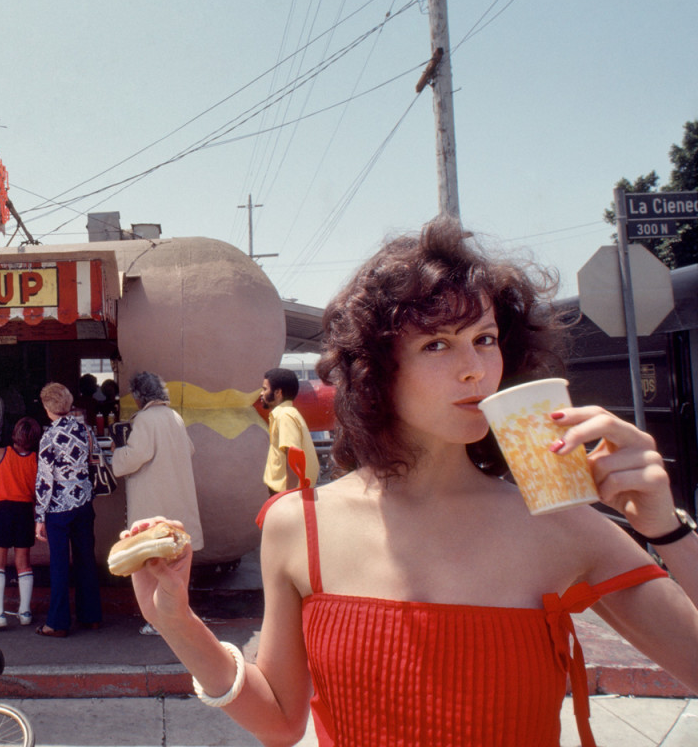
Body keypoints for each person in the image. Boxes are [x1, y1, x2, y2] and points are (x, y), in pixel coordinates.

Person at [125, 217, 698, 747]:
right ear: (375, 370)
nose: (474, 367)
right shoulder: (299, 526)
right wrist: (176, 622)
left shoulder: (563, 524)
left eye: (486, 338)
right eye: (437, 344)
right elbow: (279, 719)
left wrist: (669, 530)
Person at [111, 371, 204, 635]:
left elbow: (136, 455)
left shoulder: (144, 420)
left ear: (140, 397)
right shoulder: (174, 416)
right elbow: (190, 449)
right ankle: (179, 614)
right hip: (176, 492)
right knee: (175, 559)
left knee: (153, 559)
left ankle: (159, 619)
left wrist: (118, 451)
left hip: (154, 496)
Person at [33, 382, 103, 637]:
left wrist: (39, 517)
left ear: (47, 407)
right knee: (86, 561)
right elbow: (94, 461)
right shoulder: (85, 429)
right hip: (84, 503)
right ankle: (91, 616)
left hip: (58, 509)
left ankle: (58, 623)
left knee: (60, 565)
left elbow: (44, 480)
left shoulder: (49, 437)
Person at [0, 416, 43, 629]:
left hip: (4, 510)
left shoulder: (1, 454)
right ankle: (25, 612)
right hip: (25, 511)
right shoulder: (36, 459)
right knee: (23, 562)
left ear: (13, 434)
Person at [259, 367, 320, 493]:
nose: (261, 393)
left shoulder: (285, 416)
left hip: (286, 493)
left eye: (265, 389)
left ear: (278, 393)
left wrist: (288, 497)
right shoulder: (286, 414)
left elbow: (294, 457)